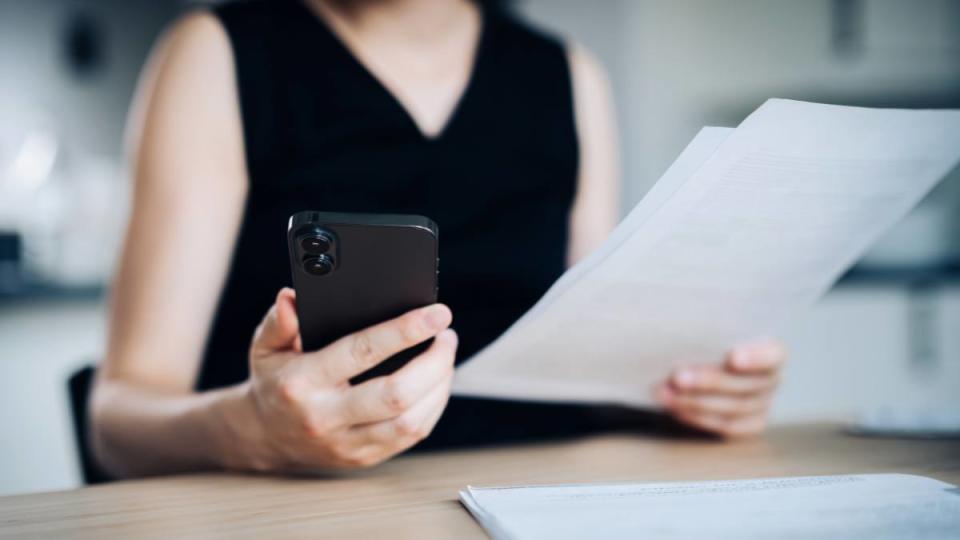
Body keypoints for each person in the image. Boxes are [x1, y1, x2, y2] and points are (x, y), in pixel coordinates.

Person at [90, 0, 786, 478]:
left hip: (534, 505)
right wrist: (253, 430)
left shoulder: (569, 76)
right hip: (300, 515)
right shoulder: (215, 54)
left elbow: (590, 377)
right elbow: (115, 421)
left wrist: (690, 393)